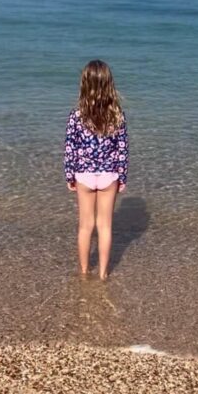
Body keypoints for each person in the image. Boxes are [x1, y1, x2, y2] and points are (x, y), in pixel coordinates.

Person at [64, 59, 129, 280]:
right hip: (109, 174)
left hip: (84, 173)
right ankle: (102, 274)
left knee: (85, 226)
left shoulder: (77, 115)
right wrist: (122, 176)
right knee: (105, 226)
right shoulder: (117, 115)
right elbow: (122, 149)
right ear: (109, 84)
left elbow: (70, 147)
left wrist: (69, 174)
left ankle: (83, 272)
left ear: (85, 84)